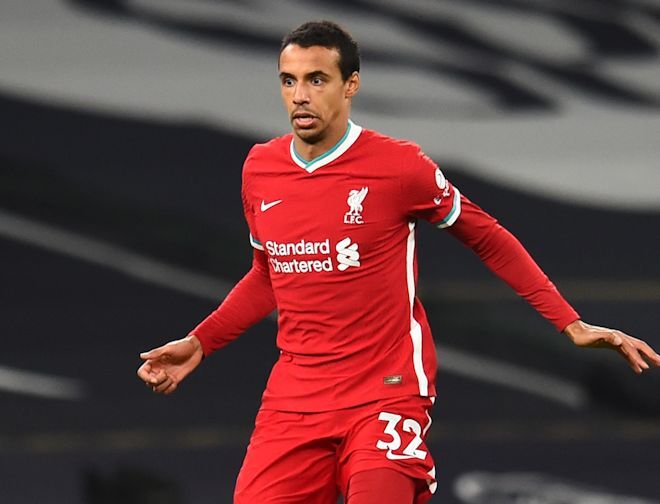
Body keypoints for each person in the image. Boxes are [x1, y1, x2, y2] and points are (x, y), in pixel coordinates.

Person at [137, 20, 660, 504]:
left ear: (351, 85)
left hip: (384, 394)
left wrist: (570, 323)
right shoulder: (260, 169)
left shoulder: (398, 166)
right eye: (288, 81)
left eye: (317, 79)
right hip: (294, 400)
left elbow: (487, 236)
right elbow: (268, 276)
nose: (299, 95)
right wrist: (201, 342)